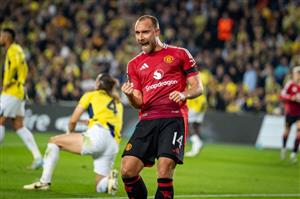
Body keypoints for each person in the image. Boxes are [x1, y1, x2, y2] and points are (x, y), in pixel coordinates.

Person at [121, 15, 203, 199]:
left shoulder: (180, 54)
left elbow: (198, 87)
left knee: (164, 169)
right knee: (127, 170)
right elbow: (138, 102)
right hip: (147, 120)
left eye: (145, 32)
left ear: (157, 32)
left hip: (173, 118)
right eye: (137, 33)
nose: (141, 37)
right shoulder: (133, 64)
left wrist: (184, 94)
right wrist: (129, 96)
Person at [23, 73, 123, 194]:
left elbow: (73, 120)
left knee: (54, 141)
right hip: (113, 144)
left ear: (98, 83)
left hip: (98, 137)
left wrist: (69, 133)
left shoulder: (91, 95)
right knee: (100, 187)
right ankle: (109, 181)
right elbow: (111, 122)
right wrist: (90, 122)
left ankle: (44, 182)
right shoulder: (117, 102)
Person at [0, 28, 43, 169]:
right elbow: (23, 66)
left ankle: (38, 158)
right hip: (19, 92)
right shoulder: (17, 49)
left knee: (0, 121)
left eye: (1, 35)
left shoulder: (13, 50)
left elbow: (18, 65)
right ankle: (38, 158)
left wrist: (10, 82)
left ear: (7, 37)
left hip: (12, 92)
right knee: (18, 125)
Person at [279, 66, 300, 163]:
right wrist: (292, 98)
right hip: (290, 112)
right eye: (297, 73)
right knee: (286, 132)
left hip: (299, 113)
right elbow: (282, 95)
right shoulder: (290, 84)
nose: (299, 75)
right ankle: (283, 148)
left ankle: (294, 153)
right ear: (294, 74)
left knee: (299, 132)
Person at [185, 90, 207, 157]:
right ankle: (197, 144)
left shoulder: (189, 84)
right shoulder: (197, 84)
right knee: (196, 127)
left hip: (194, 108)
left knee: (187, 125)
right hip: (201, 107)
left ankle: (197, 142)